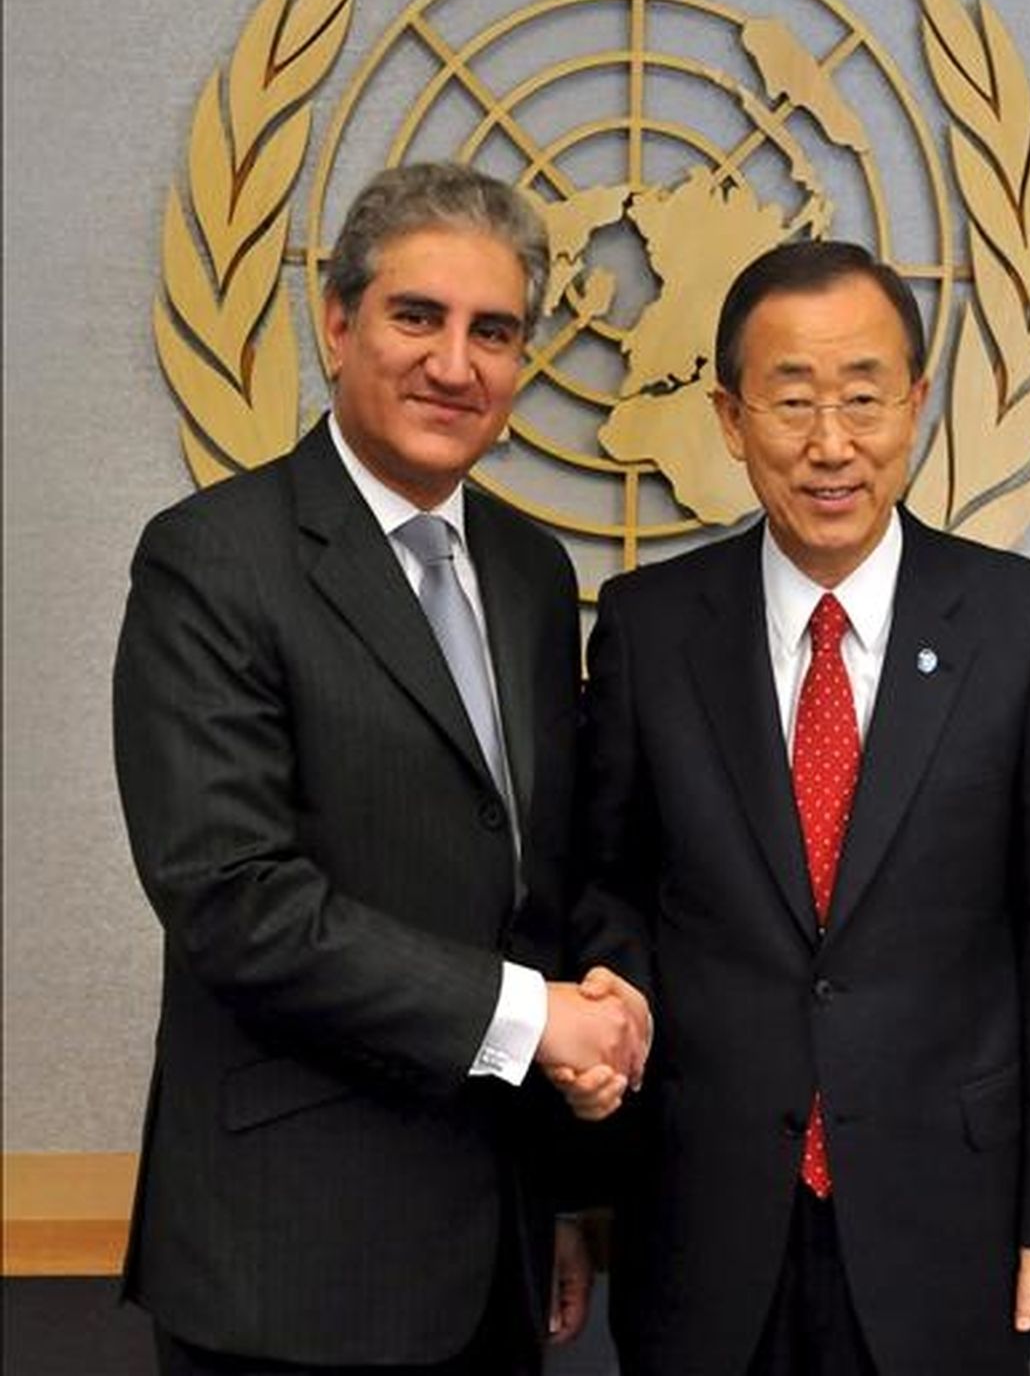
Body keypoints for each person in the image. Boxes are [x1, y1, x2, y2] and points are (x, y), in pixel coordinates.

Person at [113, 161, 650, 1376]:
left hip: (493, 1259)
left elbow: (534, 887)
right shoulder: (211, 560)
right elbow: (234, 900)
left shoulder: (526, 572)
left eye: (494, 332)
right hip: (288, 1268)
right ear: (338, 320)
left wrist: (559, 1199)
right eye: (419, 317)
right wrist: (536, 1019)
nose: (455, 365)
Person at [569, 240, 1030, 1375]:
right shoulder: (649, 628)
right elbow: (607, 883)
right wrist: (614, 1008)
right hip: (701, 1215)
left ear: (916, 405)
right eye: (792, 400)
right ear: (728, 415)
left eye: (864, 399)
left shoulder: (1027, 625)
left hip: (944, 1216)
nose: (830, 445)